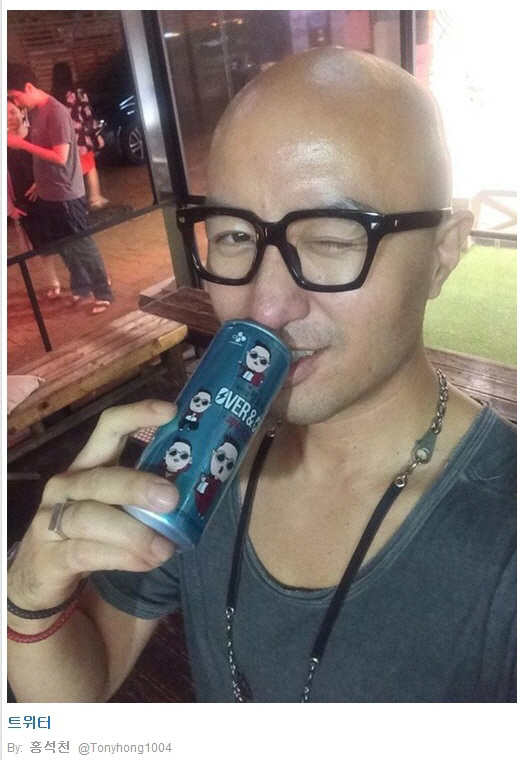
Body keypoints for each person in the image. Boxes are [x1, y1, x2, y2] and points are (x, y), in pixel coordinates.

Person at [6, 49, 517, 702]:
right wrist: (30, 595)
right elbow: (73, 694)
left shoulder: (498, 541)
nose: (266, 307)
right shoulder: (202, 458)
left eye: (332, 239)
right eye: (233, 236)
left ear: (442, 254)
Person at [7, 64, 114, 315]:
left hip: (66, 192)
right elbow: (44, 154)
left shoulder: (55, 112)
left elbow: (60, 157)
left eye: (16, 97)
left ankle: (103, 291)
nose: (17, 103)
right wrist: (40, 180)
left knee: (81, 243)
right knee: (66, 246)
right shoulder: (38, 112)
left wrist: (21, 144)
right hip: (50, 191)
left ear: (29, 87)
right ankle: (82, 287)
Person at [7, 98, 62, 298]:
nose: (9, 117)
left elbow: (55, 162)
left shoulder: (36, 136)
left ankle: (85, 277)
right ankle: (53, 282)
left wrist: (41, 183)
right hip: (25, 203)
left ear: (22, 112)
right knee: (40, 245)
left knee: (65, 239)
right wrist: (10, 208)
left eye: (12, 111)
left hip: (50, 195)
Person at [51, 62, 109, 211]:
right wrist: (97, 134)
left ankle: (78, 206)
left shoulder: (53, 97)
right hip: (81, 138)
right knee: (90, 167)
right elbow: (87, 114)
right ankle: (95, 198)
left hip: (64, 139)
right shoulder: (78, 93)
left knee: (72, 172)